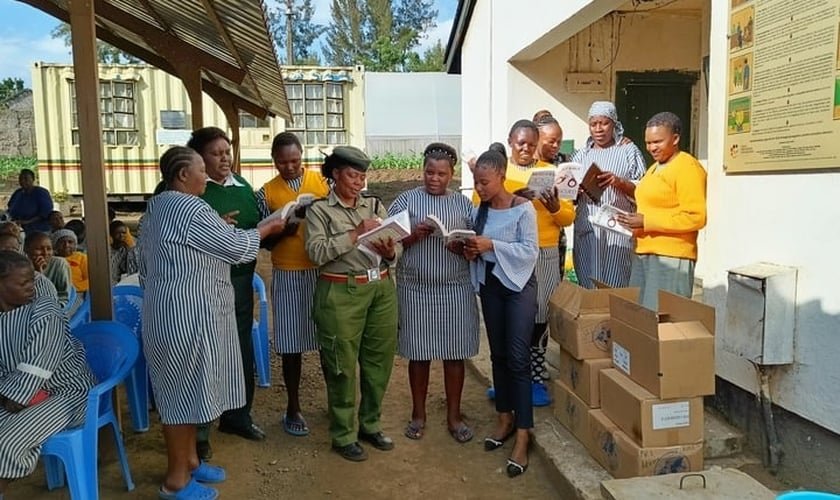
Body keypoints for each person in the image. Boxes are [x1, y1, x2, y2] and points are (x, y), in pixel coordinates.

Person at [138, 146, 286, 499]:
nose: (208, 176)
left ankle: (190, 462)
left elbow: (164, 256)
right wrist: (269, 226)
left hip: (168, 311)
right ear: (183, 175)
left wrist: (219, 229)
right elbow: (236, 248)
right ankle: (176, 481)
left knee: (187, 391)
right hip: (186, 316)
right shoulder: (187, 206)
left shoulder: (158, 207)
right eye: (201, 169)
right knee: (180, 397)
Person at [304, 146, 401, 462]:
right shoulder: (320, 211)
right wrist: (356, 232)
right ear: (335, 174)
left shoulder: (373, 204)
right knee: (341, 365)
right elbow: (316, 253)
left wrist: (390, 253)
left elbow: (395, 246)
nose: (359, 182)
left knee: (378, 362)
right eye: (352, 175)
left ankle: (370, 425)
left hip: (380, 288)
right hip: (340, 292)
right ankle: (343, 434)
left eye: (362, 176)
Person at [388, 143, 479, 443]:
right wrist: (414, 236)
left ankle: (454, 416)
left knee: (455, 354)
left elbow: (477, 244)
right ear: (422, 171)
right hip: (415, 288)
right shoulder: (405, 201)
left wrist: (461, 247)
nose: (434, 179)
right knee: (419, 354)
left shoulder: (464, 205)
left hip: (455, 288)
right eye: (429, 172)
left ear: (452, 175)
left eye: (441, 174)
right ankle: (418, 414)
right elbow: (387, 241)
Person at [187, 127, 266, 459]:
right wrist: (215, 226)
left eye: (227, 150)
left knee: (241, 351)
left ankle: (237, 416)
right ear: (198, 160)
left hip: (241, 283)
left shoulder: (242, 186)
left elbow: (258, 227)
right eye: (216, 153)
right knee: (208, 356)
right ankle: (199, 433)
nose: (225, 158)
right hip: (204, 286)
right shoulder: (189, 191)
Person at [462, 148, 538, 478]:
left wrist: (491, 245)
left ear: (502, 177)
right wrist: (467, 247)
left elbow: (529, 251)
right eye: (476, 182)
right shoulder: (481, 211)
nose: (480, 188)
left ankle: (524, 433)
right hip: (491, 287)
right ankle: (504, 417)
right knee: (498, 356)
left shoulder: (524, 210)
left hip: (519, 287)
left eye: (485, 182)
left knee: (519, 358)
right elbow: (477, 248)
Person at [0, 250, 95, 499]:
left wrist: (15, 398)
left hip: (67, 394)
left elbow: (39, 361)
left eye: (32, 279)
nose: (32, 286)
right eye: (23, 283)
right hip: (18, 396)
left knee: (6, 441)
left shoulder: (45, 309)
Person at [256, 132, 330, 438]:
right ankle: (293, 406)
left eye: (295, 161)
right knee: (289, 342)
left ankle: (335, 401)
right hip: (286, 270)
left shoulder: (323, 184)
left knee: (328, 336)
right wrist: (282, 231)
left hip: (320, 269)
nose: (289, 167)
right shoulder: (266, 193)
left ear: (303, 157)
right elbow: (262, 241)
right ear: (274, 161)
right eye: (283, 162)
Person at [502, 119, 575, 407]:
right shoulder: (500, 171)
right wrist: (512, 199)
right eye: (521, 143)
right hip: (509, 251)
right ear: (510, 140)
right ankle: (508, 379)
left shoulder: (550, 172)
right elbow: (480, 208)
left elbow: (568, 217)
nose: (526, 149)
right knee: (510, 313)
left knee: (540, 313)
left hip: (544, 250)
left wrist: (554, 206)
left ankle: (534, 377)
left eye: (532, 145)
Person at [617, 112, 707, 310]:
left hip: (671, 256)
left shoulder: (687, 167)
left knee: (661, 321)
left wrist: (646, 221)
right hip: (645, 252)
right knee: (639, 320)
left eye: (658, 141)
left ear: (675, 138)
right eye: (648, 143)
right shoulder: (655, 168)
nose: (651, 148)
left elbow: (696, 217)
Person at [571, 101, 647, 290]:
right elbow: (567, 195)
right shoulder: (580, 155)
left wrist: (618, 182)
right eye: (593, 124)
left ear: (614, 124)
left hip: (617, 229)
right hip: (587, 229)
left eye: (604, 123)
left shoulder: (628, 151)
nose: (598, 129)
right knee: (588, 283)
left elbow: (644, 190)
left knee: (617, 284)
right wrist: (576, 190)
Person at [23, 232, 71, 306]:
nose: (45, 253)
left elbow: (64, 296)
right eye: (39, 249)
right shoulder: (21, 266)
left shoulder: (59, 264)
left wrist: (39, 276)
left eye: (49, 249)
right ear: (26, 250)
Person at [6, 169, 54, 234]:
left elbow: (46, 212)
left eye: (26, 179)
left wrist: (27, 221)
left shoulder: (41, 192)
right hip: (18, 229)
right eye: (20, 178)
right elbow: (10, 208)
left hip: (38, 230)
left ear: (33, 179)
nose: (22, 181)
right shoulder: (18, 193)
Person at [52, 229, 87, 316]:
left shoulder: (81, 258)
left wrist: (72, 288)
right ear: (55, 245)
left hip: (77, 294)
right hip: (55, 294)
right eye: (62, 242)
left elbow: (91, 279)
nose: (66, 245)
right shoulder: (51, 260)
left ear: (75, 244)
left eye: (70, 242)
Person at [109, 220, 138, 285]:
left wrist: (131, 248)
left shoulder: (126, 248)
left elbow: (134, 269)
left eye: (124, 233)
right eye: (118, 233)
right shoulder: (107, 249)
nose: (122, 236)